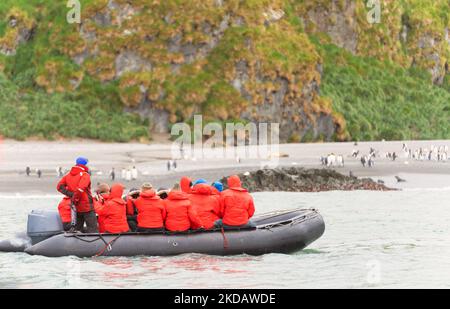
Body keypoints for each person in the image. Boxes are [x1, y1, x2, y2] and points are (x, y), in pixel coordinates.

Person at [57, 157, 98, 233]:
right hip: (87, 206)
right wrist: (75, 197)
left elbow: (59, 187)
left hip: (76, 206)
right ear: (85, 164)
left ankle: (77, 244)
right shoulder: (85, 175)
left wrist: (70, 195)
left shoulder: (68, 175)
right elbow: (81, 188)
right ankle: (94, 244)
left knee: (78, 229)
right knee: (93, 229)